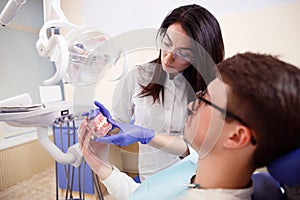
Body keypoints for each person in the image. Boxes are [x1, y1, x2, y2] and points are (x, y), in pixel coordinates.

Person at [78, 52, 300, 200]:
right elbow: (146, 195)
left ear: (236, 137)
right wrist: (99, 164)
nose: (193, 103)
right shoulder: (197, 165)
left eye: (205, 98)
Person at [88, 4, 225, 181]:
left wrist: (148, 135)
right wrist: (102, 125)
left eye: (183, 53)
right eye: (167, 43)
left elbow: (198, 148)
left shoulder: (210, 89)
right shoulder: (138, 77)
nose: (167, 58)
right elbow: (119, 126)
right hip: (150, 179)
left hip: (195, 179)